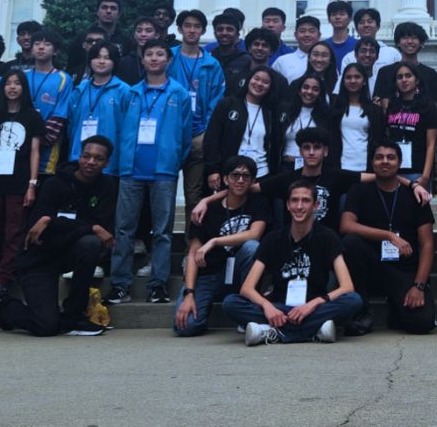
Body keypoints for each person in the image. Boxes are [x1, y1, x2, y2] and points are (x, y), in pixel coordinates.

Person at [0, 136, 118, 337]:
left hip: (68, 253)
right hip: (38, 259)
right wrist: (88, 225)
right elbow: (37, 227)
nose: (91, 162)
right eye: (87, 156)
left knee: (91, 244)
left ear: (107, 162)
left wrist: (53, 220)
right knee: (46, 327)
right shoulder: (54, 184)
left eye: (98, 159)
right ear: (79, 156)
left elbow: (104, 229)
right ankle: (2, 305)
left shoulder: (107, 186)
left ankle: (74, 315)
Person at [222, 179, 364, 345]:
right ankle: (315, 331)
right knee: (230, 303)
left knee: (353, 300)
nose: (299, 206)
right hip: (279, 308)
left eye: (305, 200)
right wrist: (268, 308)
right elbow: (247, 288)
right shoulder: (273, 239)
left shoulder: (328, 237)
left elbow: (347, 287)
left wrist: (313, 304)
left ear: (316, 205)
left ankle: (272, 331)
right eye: (294, 200)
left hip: (314, 308)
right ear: (288, 205)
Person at [108, 39, 193, 305]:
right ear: (142, 60)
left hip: (163, 172)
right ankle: (120, 283)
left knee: (163, 232)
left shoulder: (178, 94)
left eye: (160, 54)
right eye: (149, 54)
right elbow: (120, 129)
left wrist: (173, 161)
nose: (154, 58)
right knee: (124, 229)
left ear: (168, 60)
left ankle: (158, 284)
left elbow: (186, 134)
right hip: (131, 170)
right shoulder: (130, 93)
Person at [340, 142, 437, 335]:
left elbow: (427, 244)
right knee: (350, 243)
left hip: (403, 269)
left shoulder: (415, 196)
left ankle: (396, 309)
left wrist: (418, 285)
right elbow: (346, 225)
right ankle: (362, 312)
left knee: (422, 323)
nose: (384, 161)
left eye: (391, 157)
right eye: (379, 157)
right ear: (372, 162)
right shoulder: (359, 191)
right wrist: (389, 235)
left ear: (400, 162)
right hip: (371, 266)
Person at [0, 71, 44, 307]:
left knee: (13, 233)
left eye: (17, 83)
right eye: (8, 83)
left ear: (24, 88)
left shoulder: (32, 116)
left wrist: (32, 185)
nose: (13, 87)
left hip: (19, 183)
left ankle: (3, 282)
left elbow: (35, 152)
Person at [174, 155, 269, 336]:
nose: (240, 180)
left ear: (253, 181)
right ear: (225, 179)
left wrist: (215, 240)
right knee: (186, 326)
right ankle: (204, 309)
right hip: (209, 273)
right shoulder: (206, 210)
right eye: (235, 175)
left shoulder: (259, 202)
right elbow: (194, 253)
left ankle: (245, 308)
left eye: (246, 176)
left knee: (251, 247)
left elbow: (255, 233)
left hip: (240, 273)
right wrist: (189, 293)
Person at [170, 9, 226, 212]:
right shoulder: (168, 57)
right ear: (179, 29)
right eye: (187, 25)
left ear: (203, 30)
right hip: (170, 132)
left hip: (198, 134)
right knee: (164, 191)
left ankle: (191, 242)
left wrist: (206, 133)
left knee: (194, 195)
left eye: (196, 26)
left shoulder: (212, 65)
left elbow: (216, 101)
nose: (192, 30)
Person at [204, 69, 281, 187]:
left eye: (265, 82)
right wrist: (213, 170)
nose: (259, 84)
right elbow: (212, 139)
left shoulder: (271, 113)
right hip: (231, 173)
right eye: (256, 78)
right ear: (249, 80)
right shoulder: (228, 104)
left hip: (261, 175)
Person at [67, 41, 128, 169]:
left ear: (115, 62)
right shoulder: (79, 90)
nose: (101, 61)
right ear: (90, 61)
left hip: (109, 161)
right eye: (97, 57)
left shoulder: (124, 91)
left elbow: (127, 127)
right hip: (79, 157)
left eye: (107, 58)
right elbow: (71, 123)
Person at [24, 29, 73, 173]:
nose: (40, 47)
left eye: (47, 44)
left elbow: (60, 115)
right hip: (18, 143)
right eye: (37, 44)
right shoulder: (21, 76)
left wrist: (38, 141)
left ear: (55, 51)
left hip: (47, 147)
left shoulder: (64, 79)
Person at [383, 62, 437, 185]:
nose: (404, 80)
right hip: (393, 170)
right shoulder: (392, 106)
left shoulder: (428, 106)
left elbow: (431, 143)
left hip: (417, 171)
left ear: (417, 80)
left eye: (408, 76)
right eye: (400, 77)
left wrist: (425, 175)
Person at [333, 62, 387, 173]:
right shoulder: (334, 109)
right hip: (339, 168)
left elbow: (379, 138)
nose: (353, 81)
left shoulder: (375, 111)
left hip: (366, 168)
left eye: (357, 77)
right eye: (348, 77)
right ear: (343, 81)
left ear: (364, 82)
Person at [375, 22, 437, 106]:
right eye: (405, 38)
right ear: (398, 42)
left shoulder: (430, 74)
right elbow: (379, 103)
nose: (409, 41)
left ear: (421, 43)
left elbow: (434, 104)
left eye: (414, 38)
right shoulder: (385, 72)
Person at [278, 73, 331, 171]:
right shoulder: (284, 111)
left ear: (320, 93)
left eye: (315, 89)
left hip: (314, 169)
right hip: (286, 167)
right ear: (299, 90)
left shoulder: (326, 116)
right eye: (306, 87)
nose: (309, 92)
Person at [225, 27, 288, 106]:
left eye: (265, 45)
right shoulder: (235, 76)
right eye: (256, 44)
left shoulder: (280, 81)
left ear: (271, 51)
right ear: (249, 48)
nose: (260, 48)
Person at [340, 7, 402, 74]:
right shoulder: (349, 58)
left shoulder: (392, 53)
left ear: (378, 26)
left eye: (370, 22)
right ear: (357, 29)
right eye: (361, 22)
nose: (366, 25)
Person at [273, 16, 321, 84]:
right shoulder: (282, 61)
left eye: (311, 31)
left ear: (319, 35)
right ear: (295, 35)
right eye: (302, 31)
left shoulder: (325, 61)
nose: (307, 35)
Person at [116, 17, 160, 84]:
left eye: (148, 31)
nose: (143, 34)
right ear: (134, 34)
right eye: (139, 31)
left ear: (156, 35)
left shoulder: (161, 60)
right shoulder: (124, 62)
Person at [324, 0, 357, 66]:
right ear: (329, 19)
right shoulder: (323, 45)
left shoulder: (358, 45)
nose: (338, 17)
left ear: (350, 18)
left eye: (342, 14)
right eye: (334, 14)